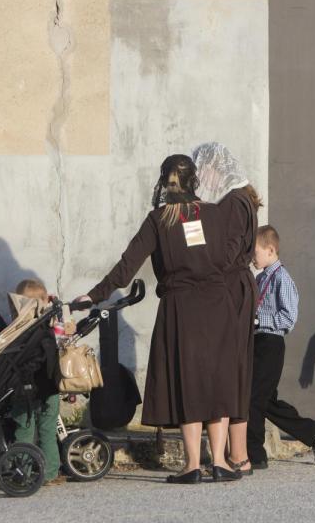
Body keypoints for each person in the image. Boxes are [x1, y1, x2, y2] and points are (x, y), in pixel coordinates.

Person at [77, 155, 242, 484]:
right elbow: (231, 258)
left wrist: (94, 295)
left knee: (189, 383)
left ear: (163, 182)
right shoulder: (215, 213)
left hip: (182, 308)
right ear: (194, 180)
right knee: (217, 381)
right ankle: (221, 462)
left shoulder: (159, 219)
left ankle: (193, 465)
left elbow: (128, 265)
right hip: (219, 307)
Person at [192, 142, 260, 475]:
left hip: (230, 289)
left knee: (229, 368)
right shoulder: (234, 199)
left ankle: (239, 455)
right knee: (232, 367)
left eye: (201, 169)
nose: (199, 176)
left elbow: (228, 252)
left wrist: (197, 260)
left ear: (215, 168)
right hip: (232, 286)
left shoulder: (233, 201)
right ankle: (237, 455)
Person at [248, 225, 315, 468]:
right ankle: (313, 432)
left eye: (255, 252)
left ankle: (255, 455)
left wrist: (257, 320)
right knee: (265, 401)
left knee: (252, 399)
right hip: (256, 342)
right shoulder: (260, 277)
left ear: (271, 250)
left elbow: (289, 318)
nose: (252, 257)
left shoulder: (282, 278)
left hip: (271, 344)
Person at [9, 279, 63, 485]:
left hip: (26, 390)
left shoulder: (20, 328)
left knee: (24, 431)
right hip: (50, 388)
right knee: (48, 432)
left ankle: (23, 471)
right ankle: (50, 473)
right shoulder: (52, 325)